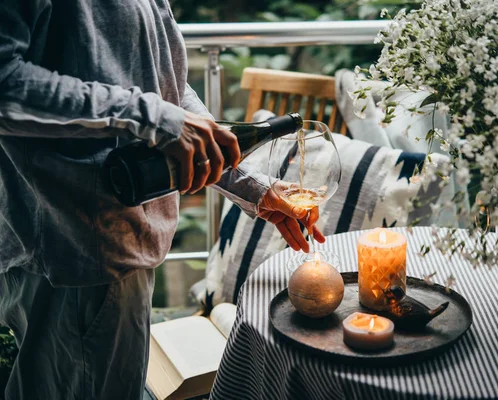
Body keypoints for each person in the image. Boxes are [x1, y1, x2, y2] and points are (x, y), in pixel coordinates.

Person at [0, 1, 325, 399]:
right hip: (77, 253)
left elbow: (160, 86)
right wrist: (152, 117)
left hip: (112, 243)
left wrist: (253, 186)